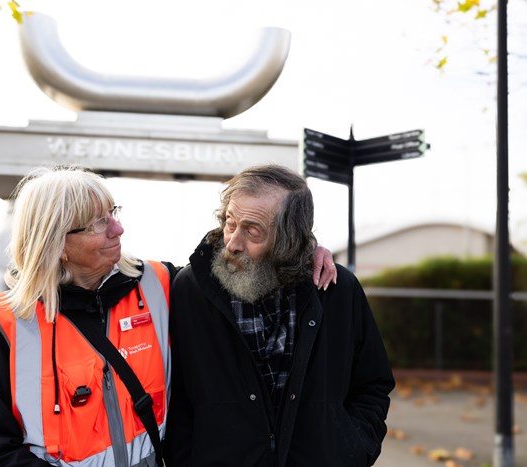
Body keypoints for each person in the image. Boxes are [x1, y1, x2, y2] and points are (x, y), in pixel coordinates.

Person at [0, 165, 337, 466]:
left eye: (113, 213)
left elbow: (241, 253)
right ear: (57, 244)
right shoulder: (3, 324)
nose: (118, 228)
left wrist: (302, 249)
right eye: (98, 223)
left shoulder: (158, 283)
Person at [164, 164, 395, 467]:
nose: (233, 243)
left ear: (289, 238)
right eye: (230, 223)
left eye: (253, 231)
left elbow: (372, 384)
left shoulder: (336, 289)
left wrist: (353, 449)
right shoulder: (191, 287)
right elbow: (176, 393)